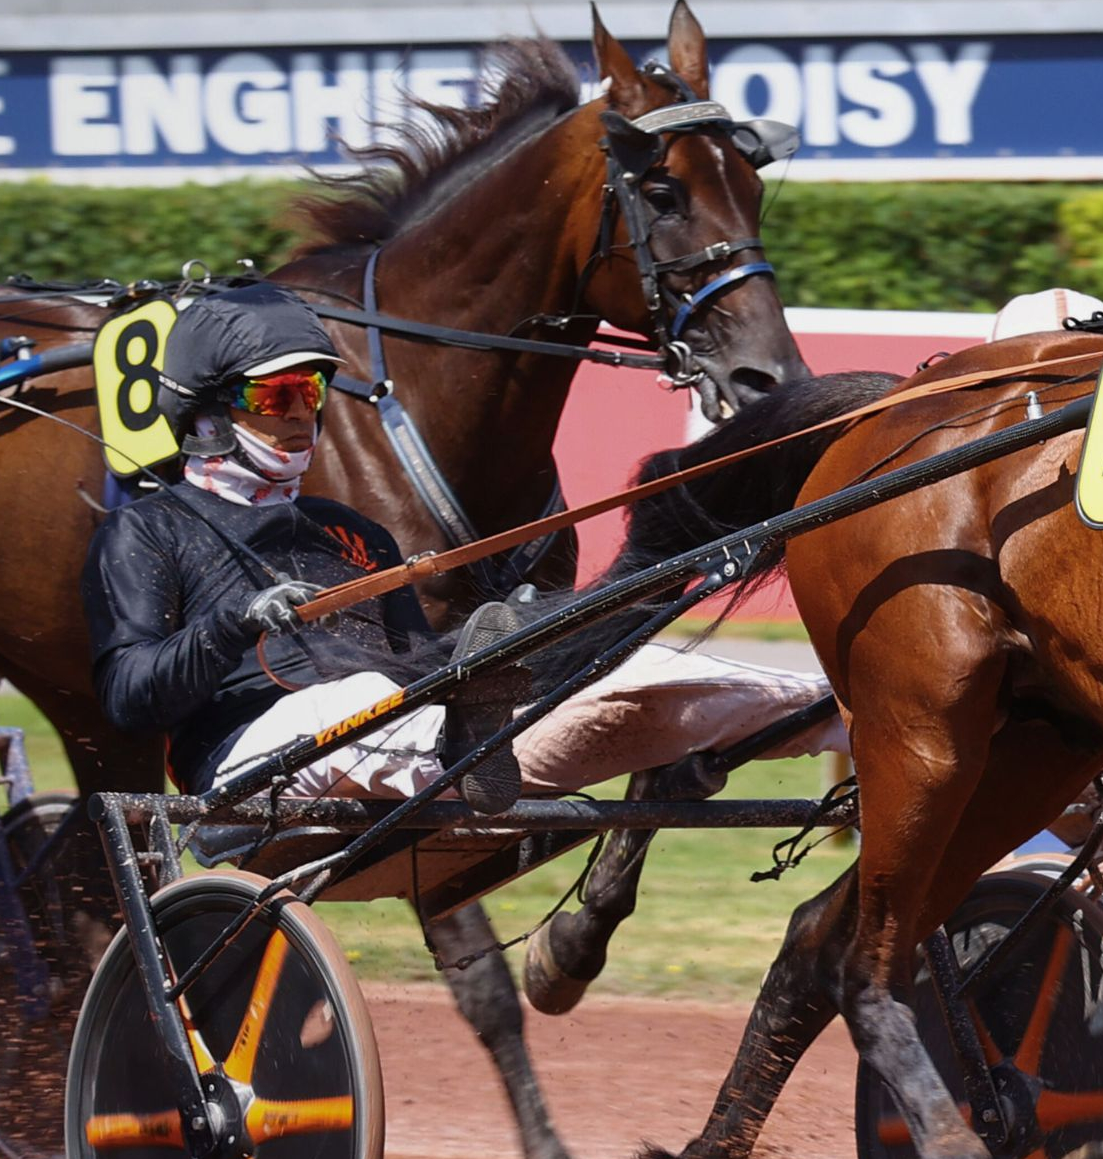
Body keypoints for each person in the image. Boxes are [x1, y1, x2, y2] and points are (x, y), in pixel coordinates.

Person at [83, 281, 843, 812]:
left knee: (636, 667)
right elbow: (128, 700)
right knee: (366, 700)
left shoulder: (349, 533)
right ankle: (467, 742)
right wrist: (234, 623)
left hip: (404, 739)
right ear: (209, 414)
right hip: (247, 770)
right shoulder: (146, 531)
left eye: (308, 395)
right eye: (274, 397)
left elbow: (416, 664)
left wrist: (513, 651)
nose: (298, 416)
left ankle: (846, 714)